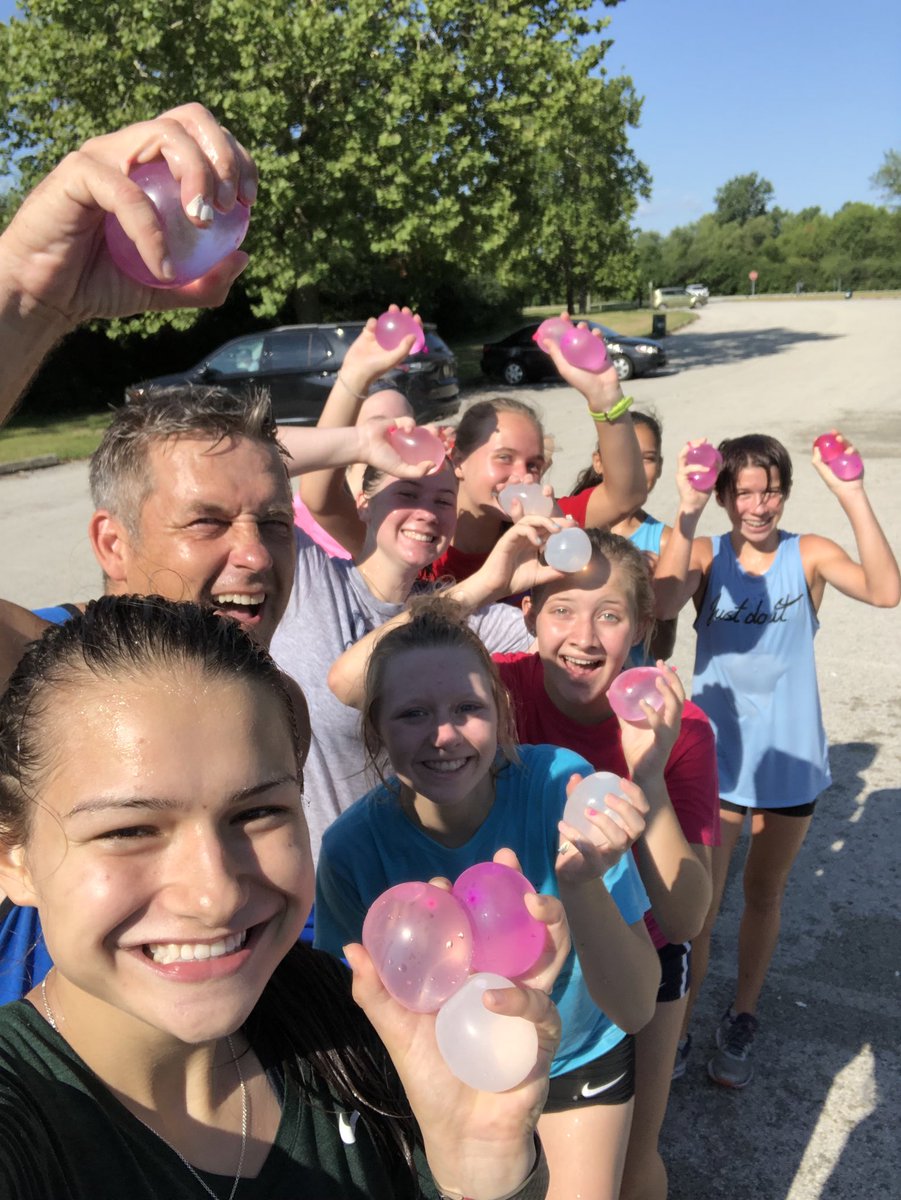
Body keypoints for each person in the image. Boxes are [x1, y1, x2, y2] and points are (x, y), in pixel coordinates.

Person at [0, 595, 560, 1199]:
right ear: (15, 859)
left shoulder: (354, 1026)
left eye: (259, 811)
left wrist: (477, 1172)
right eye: (129, 830)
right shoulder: (24, 1124)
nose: (214, 896)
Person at [330, 524, 717, 1200]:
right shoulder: (350, 851)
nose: (443, 733)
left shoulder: (560, 785)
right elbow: (352, 1028)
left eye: (466, 710)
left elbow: (632, 1004)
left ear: (502, 714)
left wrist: (580, 881)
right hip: (438, 1071)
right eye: (412, 713)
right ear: (375, 729)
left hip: (576, 1053)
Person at [666, 432, 900, 1089]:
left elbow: (885, 592)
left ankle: (741, 1014)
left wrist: (851, 493)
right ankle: (678, 1026)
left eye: (769, 488)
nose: (757, 502)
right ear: (722, 496)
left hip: (791, 761)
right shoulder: (708, 557)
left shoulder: (811, 554)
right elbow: (658, 601)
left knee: (762, 895)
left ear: (785, 491)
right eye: (741, 490)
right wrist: (683, 513)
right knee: (702, 909)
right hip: (717, 763)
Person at [270, 456, 534, 869]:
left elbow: (583, 643)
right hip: (300, 884)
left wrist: (551, 534)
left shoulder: (476, 622)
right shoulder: (305, 574)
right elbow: (238, 455)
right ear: (362, 502)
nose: (427, 513)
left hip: (414, 883)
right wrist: (355, 418)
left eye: (444, 501)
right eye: (407, 493)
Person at [298, 317, 648, 582]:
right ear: (459, 460)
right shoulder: (412, 531)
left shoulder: (542, 528)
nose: (522, 475)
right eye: (504, 457)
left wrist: (605, 399)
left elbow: (626, 495)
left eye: (534, 464)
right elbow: (319, 498)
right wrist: (355, 377)